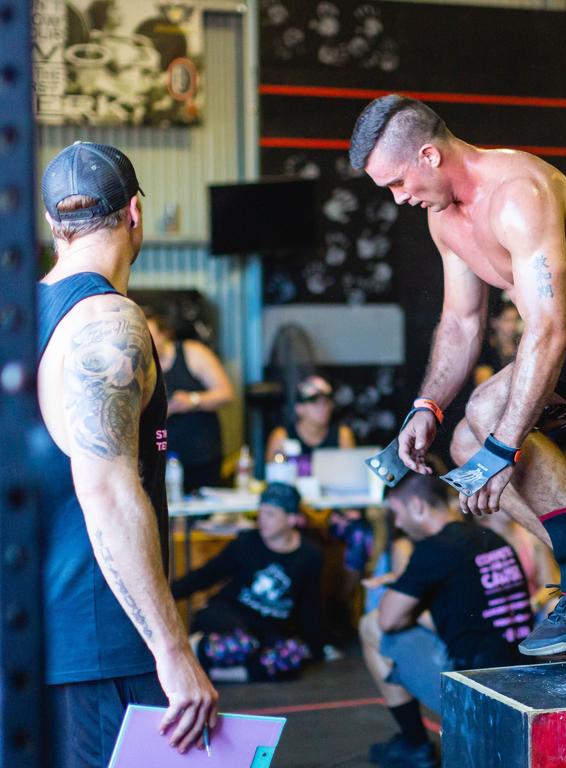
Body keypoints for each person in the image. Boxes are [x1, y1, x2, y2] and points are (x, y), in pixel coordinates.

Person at [350, 95, 566, 656]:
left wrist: (504, 445)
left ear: (429, 156)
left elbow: (549, 330)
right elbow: (462, 324)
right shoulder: (446, 222)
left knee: (490, 419)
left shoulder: (517, 193)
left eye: (397, 182)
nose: (398, 198)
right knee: (465, 445)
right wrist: (426, 408)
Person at [36, 141, 217, 767]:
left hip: (37, 643)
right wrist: (174, 651)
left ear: (54, 226)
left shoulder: (23, 317)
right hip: (101, 646)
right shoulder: (106, 319)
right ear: (135, 212)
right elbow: (108, 491)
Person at [359, 469, 532, 768]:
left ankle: (415, 745)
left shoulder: (433, 549)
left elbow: (389, 620)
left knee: (370, 624)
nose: (397, 524)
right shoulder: (488, 536)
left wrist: (402, 589)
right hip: (522, 680)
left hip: (476, 693)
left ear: (418, 506)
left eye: (397, 514)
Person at [171, 483, 324, 681]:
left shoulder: (310, 555)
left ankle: (217, 673)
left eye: (270, 514)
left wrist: (315, 647)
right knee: (242, 644)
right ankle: (194, 648)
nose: (262, 520)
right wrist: (168, 593)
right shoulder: (247, 542)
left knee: (293, 653)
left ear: (292, 519)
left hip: (267, 629)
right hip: (228, 616)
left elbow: (309, 605)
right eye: (260, 513)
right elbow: (208, 574)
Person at [146, 312, 235, 492]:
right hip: (158, 459)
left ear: (164, 334)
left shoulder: (193, 353)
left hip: (201, 455)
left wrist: (192, 400)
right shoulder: (137, 364)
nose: (145, 342)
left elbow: (226, 393)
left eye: (150, 336)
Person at [265, 374, 356, 474]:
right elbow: (273, 479)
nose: (323, 408)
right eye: (315, 402)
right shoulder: (281, 437)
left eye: (326, 402)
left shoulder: (342, 435)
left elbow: (349, 476)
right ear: (299, 408)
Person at [474, 301, 522, 384]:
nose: (512, 325)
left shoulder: (521, 346)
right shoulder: (486, 350)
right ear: (494, 322)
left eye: (515, 320)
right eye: (507, 320)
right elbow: (483, 384)